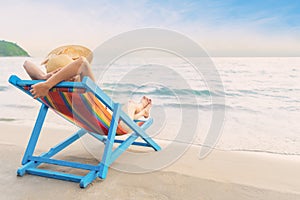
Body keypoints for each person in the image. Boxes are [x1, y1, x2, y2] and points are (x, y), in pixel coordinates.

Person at [23, 45, 152, 121]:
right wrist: (47, 83)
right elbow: (82, 62)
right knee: (130, 105)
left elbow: (26, 64)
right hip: (107, 121)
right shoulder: (80, 86)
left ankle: (142, 111)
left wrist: (45, 78)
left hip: (92, 118)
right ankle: (141, 110)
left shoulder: (52, 89)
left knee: (125, 110)